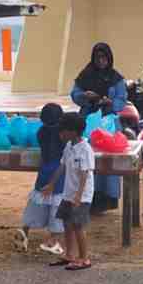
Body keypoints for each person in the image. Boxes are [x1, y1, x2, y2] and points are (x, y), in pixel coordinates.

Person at [71, 42, 127, 215]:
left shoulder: (116, 78)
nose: (101, 61)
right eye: (98, 58)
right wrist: (84, 95)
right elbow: (74, 94)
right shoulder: (85, 75)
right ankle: (87, 197)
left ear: (109, 59)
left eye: (104, 58)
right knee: (87, 159)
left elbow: (122, 99)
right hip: (87, 122)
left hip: (108, 123)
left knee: (108, 160)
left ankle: (106, 199)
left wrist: (110, 102)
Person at [44, 112, 95, 271]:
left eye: (63, 130)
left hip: (81, 195)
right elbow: (62, 166)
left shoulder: (85, 149)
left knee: (78, 226)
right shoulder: (69, 146)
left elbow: (84, 174)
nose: (60, 134)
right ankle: (69, 255)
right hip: (68, 193)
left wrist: (78, 196)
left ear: (73, 131)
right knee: (67, 223)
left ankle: (84, 258)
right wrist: (51, 184)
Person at [18, 103, 67, 257]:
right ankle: (53, 238)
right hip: (59, 172)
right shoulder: (63, 134)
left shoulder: (41, 132)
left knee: (37, 202)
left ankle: (25, 229)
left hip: (44, 169)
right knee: (57, 206)